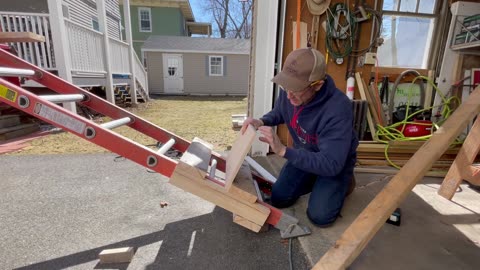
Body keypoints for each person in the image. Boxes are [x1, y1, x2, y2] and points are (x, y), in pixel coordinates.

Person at [241, 47, 358, 227]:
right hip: (306, 153)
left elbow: (330, 164)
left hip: (332, 162)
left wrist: (282, 150)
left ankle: (345, 182)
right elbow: (281, 111)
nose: (288, 95)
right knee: (279, 198)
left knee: (320, 216)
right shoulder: (291, 92)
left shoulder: (338, 109)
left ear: (317, 85)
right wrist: (261, 121)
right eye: (286, 86)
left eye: (295, 89)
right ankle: (317, 180)